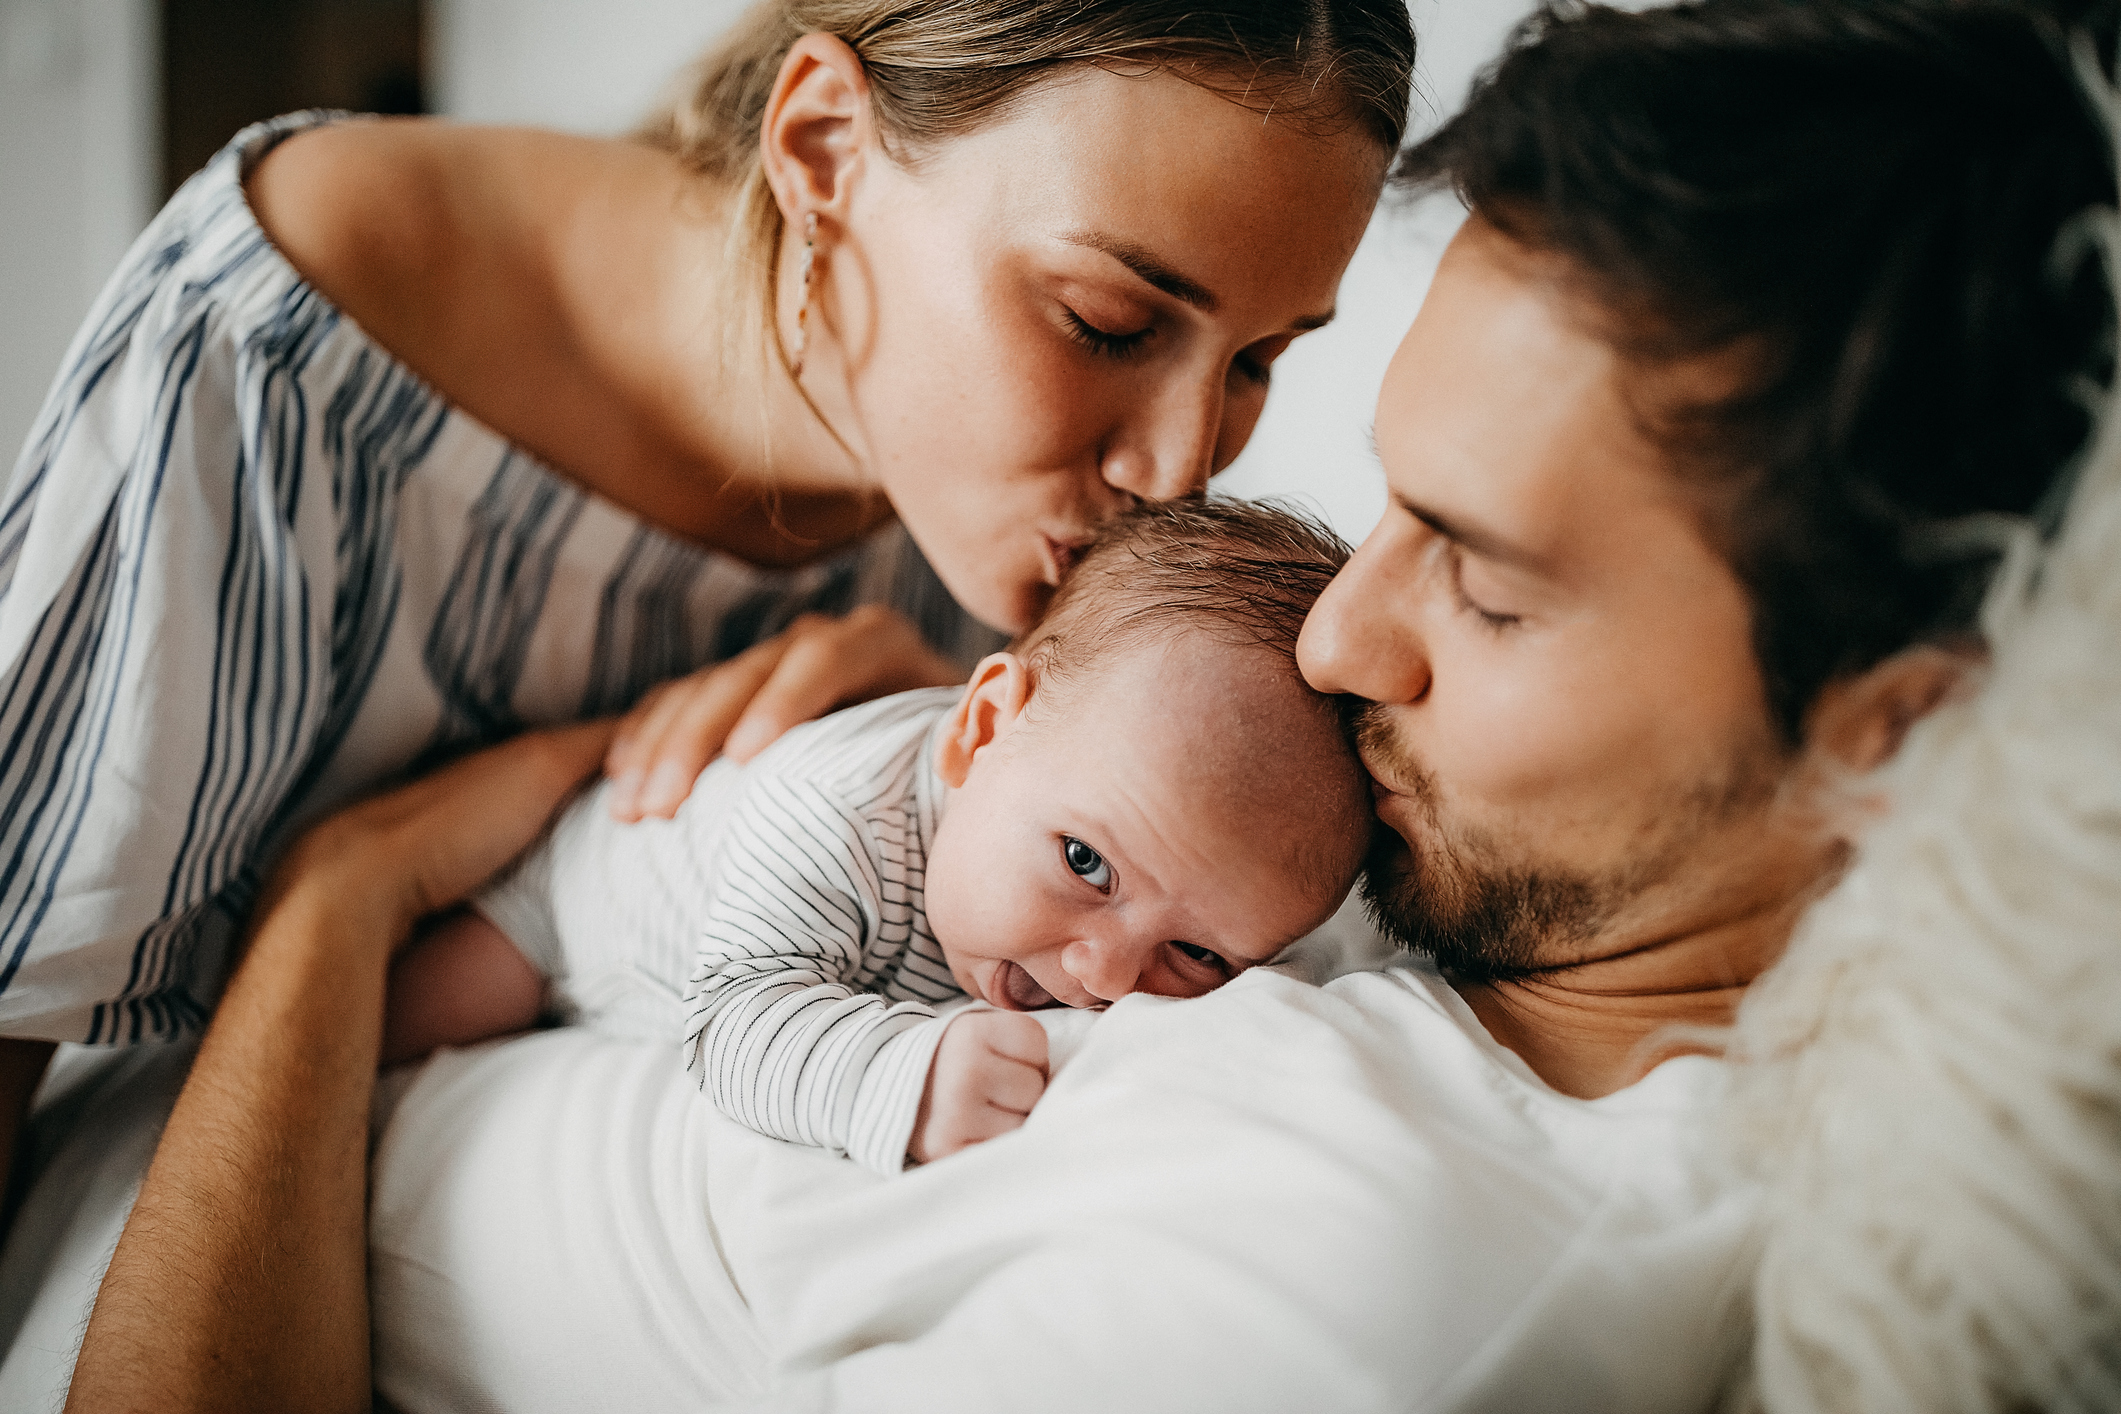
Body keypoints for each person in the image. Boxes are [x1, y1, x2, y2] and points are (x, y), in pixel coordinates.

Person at [19, 0, 2114, 1409]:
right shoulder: (1077, 619)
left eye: (1474, 576)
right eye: (1114, 319)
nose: (1313, 625)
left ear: (1893, 721)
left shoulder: (1364, 1264)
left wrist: (353, 891)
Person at [0, 0, 1413, 1203]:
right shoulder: (275, 339)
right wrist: (375, 882)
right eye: (1107, 322)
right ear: (820, 148)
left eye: (1257, 362)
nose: (1175, 467)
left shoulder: (1009, 539)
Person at [382, 500, 1370, 1172]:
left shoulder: (1095, 828)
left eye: (1195, 953)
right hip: (567, 899)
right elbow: (730, 1021)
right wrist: (901, 1073)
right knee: (382, 1064)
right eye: (1085, 863)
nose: (1105, 973)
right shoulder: (839, 813)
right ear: (982, 730)